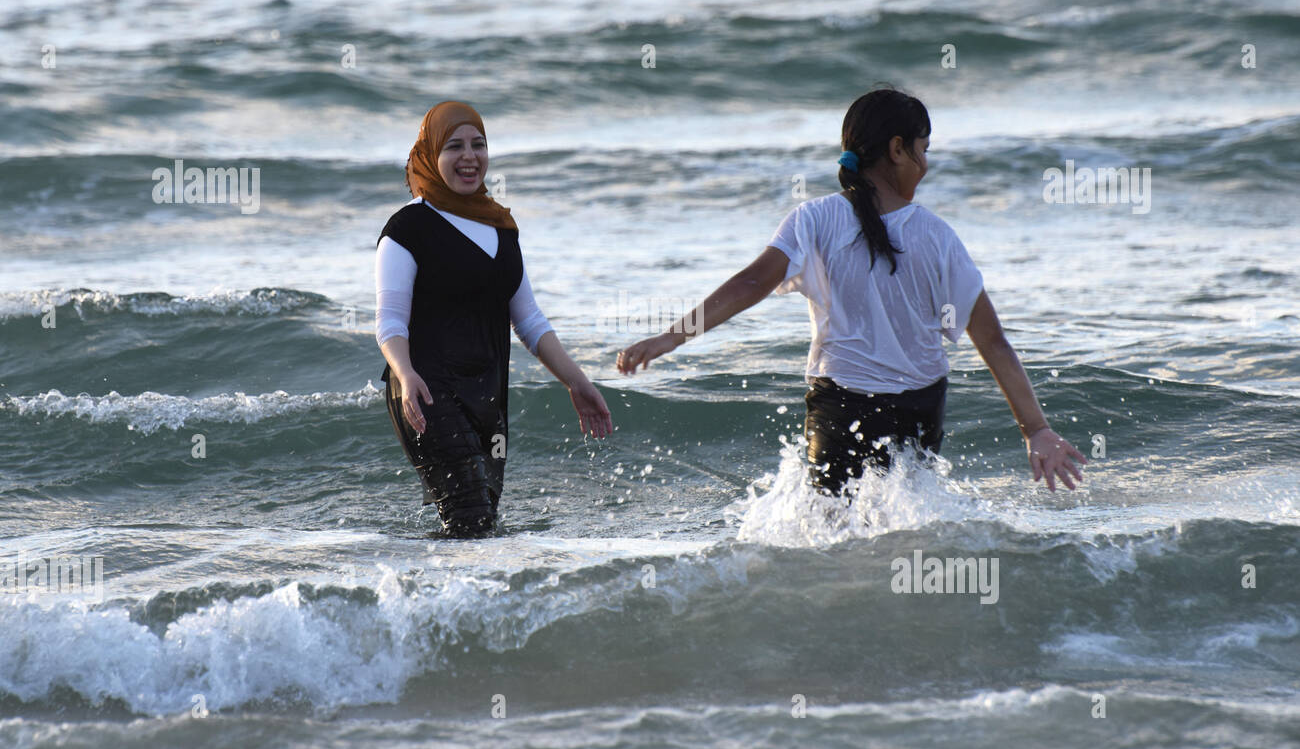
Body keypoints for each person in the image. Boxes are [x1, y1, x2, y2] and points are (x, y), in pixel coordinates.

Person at [615, 86, 1085, 495]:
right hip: (918, 407)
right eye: (924, 148)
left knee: (831, 532)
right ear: (898, 149)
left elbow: (752, 282)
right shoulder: (937, 235)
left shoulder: (814, 220)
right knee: (906, 523)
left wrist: (670, 338)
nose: (927, 163)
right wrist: (1036, 430)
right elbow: (993, 341)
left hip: (842, 406)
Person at [376, 101, 612, 535]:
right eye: (454, 146)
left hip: (486, 394)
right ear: (430, 155)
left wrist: (577, 382)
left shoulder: (502, 228)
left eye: (478, 144)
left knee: (480, 527)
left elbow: (530, 322)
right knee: (471, 518)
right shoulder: (406, 230)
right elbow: (389, 322)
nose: (469, 156)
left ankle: (440, 594)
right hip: (425, 391)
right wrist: (405, 374)